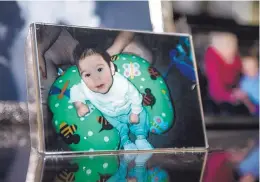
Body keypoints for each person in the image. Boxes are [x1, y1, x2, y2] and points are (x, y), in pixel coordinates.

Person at [69, 46, 153, 151]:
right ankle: (126, 142)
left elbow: (136, 97)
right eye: (88, 74)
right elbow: (74, 91)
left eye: (100, 69)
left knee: (142, 116)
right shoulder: (84, 87)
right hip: (110, 115)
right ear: (82, 77)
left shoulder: (122, 83)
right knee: (116, 128)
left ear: (111, 68)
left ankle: (141, 138)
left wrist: (135, 113)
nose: (96, 78)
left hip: (128, 109)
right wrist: (79, 105)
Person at [204, 32, 249, 114]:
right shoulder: (212, 57)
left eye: (234, 45)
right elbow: (215, 89)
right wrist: (231, 96)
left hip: (235, 90)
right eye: (228, 46)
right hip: (218, 99)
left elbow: (243, 74)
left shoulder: (235, 57)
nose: (233, 49)